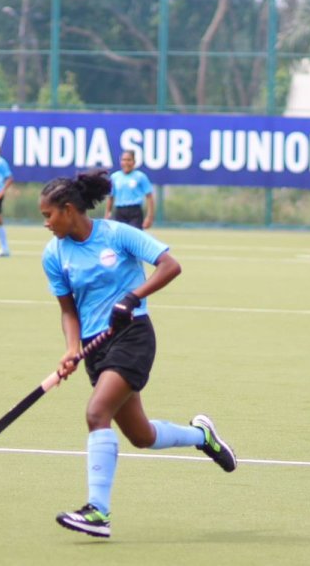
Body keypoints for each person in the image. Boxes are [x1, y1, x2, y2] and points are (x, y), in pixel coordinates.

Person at [39, 170, 236, 538]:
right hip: (94, 349)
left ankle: (98, 512)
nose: (46, 224)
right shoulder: (54, 255)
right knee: (141, 435)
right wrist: (70, 349)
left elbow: (170, 265)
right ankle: (202, 437)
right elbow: (68, 310)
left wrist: (133, 297)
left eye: (48, 215)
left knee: (97, 413)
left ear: (68, 210)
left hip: (132, 336)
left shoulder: (116, 234)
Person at [104, 149, 155, 229]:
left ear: (134, 162)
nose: (126, 163)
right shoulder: (115, 177)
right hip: (120, 211)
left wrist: (149, 216)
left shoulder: (140, 176)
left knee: (135, 237)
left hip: (135, 211)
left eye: (129, 160)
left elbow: (149, 197)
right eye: (124, 160)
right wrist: (108, 213)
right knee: (119, 238)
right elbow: (111, 197)